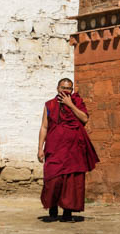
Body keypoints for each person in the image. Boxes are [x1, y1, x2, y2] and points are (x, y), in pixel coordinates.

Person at [37, 77, 99, 221]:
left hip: (73, 150)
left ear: (72, 90)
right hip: (55, 148)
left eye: (69, 88)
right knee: (52, 178)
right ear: (57, 88)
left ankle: (67, 212)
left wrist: (70, 105)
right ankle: (52, 206)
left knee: (72, 181)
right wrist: (40, 148)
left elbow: (84, 119)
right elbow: (44, 127)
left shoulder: (77, 102)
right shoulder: (49, 105)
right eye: (63, 88)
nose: (66, 91)